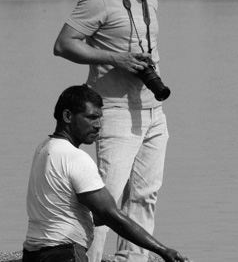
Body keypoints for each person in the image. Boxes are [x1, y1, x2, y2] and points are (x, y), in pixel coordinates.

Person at [53, 0, 170, 262]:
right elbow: (63, 44)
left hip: (152, 111)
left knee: (145, 197)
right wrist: (114, 58)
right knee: (106, 201)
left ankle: (132, 260)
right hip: (115, 111)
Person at [23, 85, 187, 262]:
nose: (98, 125)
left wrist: (110, 216)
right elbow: (109, 215)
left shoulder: (44, 148)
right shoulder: (75, 158)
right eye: (92, 117)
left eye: (100, 118)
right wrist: (163, 251)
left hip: (33, 254)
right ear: (68, 116)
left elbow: (71, 211)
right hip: (64, 254)